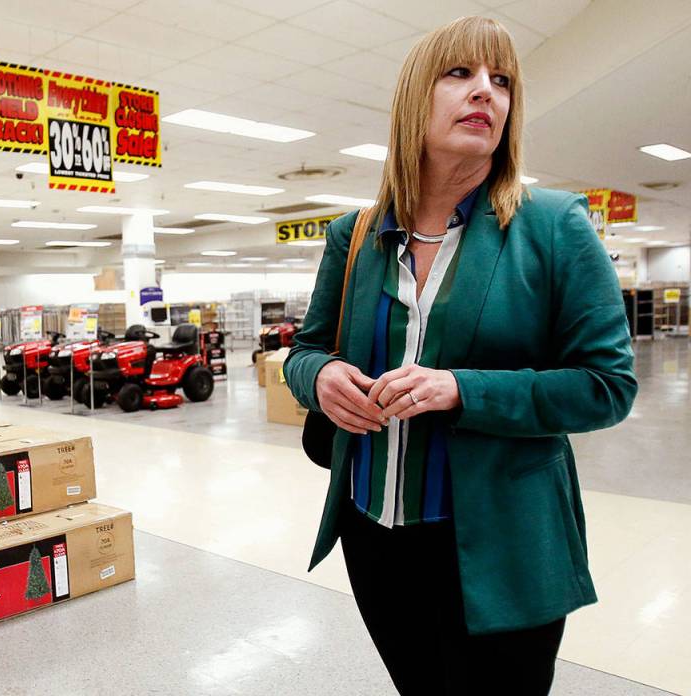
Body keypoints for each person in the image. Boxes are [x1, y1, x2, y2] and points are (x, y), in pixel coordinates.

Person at [284, 16, 637, 696]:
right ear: (414, 97)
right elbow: (305, 351)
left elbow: (606, 385)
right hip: (376, 536)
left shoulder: (554, 226)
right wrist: (321, 375)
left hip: (502, 544)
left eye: (501, 81)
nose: (486, 92)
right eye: (461, 74)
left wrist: (461, 389)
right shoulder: (354, 235)